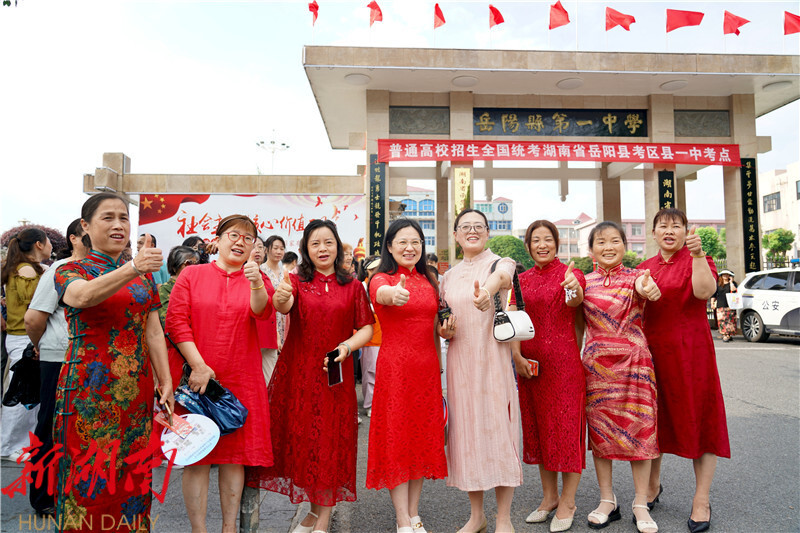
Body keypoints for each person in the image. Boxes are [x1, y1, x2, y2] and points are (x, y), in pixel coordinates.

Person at [52, 192, 174, 531]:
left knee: (133, 473)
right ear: (85, 226)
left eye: (124, 218)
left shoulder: (144, 276)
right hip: (89, 391)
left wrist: (165, 380)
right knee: (89, 473)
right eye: (108, 218)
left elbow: (153, 331)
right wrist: (132, 268)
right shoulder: (71, 270)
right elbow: (82, 296)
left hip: (136, 392)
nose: (118, 225)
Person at [247, 219, 373, 533]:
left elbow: (366, 328)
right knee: (309, 443)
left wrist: (346, 347)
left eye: (328, 242)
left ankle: (322, 521)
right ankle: (315, 512)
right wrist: (281, 295)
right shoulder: (295, 281)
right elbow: (283, 305)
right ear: (306, 248)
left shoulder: (352, 286)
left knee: (330, 442)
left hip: (335, 375)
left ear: (337, 246)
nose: (322, 249)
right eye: (315, 243)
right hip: (301, 375)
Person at [165, 214, 274, 533]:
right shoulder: (192, 275)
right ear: (217, 240)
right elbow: (176, 322)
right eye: (233, 235)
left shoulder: (257, 278)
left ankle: (229, 528)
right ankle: (199, 530)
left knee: (234, 458)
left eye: (248, 238)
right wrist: (199, 366)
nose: (240, 242)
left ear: (254, 247)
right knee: (196, 457)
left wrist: (256, 282)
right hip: (197, 382)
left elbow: (262, 311)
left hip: (242, 379)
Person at [638, 208, 730, 533]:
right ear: (653, 233)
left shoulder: (698, 259)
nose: (669, 230)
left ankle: (701, 499)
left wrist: (699, 255)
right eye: (663, 226)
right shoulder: (645, 267)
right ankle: (652, 486)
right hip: (652, 355)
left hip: (692, 354)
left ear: (686, 232)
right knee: (653, 421)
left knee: (700, 420)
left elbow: (705, 292)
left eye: (676, 226)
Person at [439, 208, 520, 533]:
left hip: (494, 362)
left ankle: (503, 518)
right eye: (465, 227)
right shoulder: (448, 277)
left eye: (478, 227)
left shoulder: (501, 262)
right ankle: (477, 516)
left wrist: (486, 293)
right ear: (456, 235)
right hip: (460, 364)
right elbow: (442, 321)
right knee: (467, 435)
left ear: (487, 233)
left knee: (498, 432)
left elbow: (502, 280)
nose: (472, 231)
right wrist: (444, 330)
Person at [367, 219, 448, 533]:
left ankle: (414, 514)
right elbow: (383, 294)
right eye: (402, 242)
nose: (410, 248)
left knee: (420, 441)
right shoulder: (381, 278)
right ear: (389, 246)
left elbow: (436, 325)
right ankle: (402, 518)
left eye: (415, 242)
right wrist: (393, 294)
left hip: (426, 371)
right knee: (398, 442)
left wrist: (446, 329)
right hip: (396, 371)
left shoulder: (429, 279)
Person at [581, 221, 661, 533]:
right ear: (591, 249)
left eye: (615, 240)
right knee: (601, 434)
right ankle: (607, 499)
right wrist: (571, 289)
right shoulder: (584, 282)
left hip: (635, 366)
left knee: (640, 430)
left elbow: (646, 288)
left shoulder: (637, 277)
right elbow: (573, 305)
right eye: (601, 242)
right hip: (598, 369)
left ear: (625, 246)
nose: (608, 247)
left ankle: (641, 503)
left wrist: (649, 288)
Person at [510, 220, 586, 533]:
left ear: (557, 243)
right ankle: (549, 497)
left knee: (566, 431)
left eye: (548, 239)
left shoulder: (571, 274)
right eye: (536, 240)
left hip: (564, 367)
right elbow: (515, 319)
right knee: (540, 430)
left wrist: (573, 288)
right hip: (530, 367)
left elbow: (575, 301)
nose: (542, 245)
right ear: (528, 246)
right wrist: (516, 356)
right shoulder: (520, 280)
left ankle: (568, 501)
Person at [23, 219, 87, 516]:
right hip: (59, 358)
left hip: (91, 360)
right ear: (74, 238)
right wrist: (42, 346)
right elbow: (33, 319)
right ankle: (44, 496)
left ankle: (74, 491)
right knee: (51, 426)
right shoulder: (60, 271)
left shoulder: (107, 270)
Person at [0, 226, 52, 461]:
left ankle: (21, 443)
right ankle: (10, 446)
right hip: (25, 337)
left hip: (23, 336)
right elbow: (34, 304)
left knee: (28, 394)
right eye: (48, 242)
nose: (51, 246)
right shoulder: (27, 271)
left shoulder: (24, 268)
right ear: (39, 245)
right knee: (22, 395)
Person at [251, 237, 279, 384]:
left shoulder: (265, 277)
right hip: (252, 339)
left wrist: (277, 336)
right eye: (253, 247)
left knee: (270, 384)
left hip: (269, 338)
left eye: (260, 247)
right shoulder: (240, 275)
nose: (257, 251)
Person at [358, 255, 382, 418]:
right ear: (368, 270)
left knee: (382, 373)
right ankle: (370, 404)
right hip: (370, 337)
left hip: (386, 336)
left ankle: (380, 403)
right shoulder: (362, 286)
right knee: (370, 372)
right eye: (374, 269)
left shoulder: (386, 283)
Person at [157, 246, 200, 327]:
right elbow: (168, 320)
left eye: (196, 264)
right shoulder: (165, 289)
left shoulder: (196, 288)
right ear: (175, 266)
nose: (193, 268)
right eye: (189, 263)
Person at [261, 235, 287, 351]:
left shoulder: (285, 273)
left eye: (282, 249)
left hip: (284, 318)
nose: (279, 252)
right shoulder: (261, 271)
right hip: (269, 319)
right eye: (275, 248)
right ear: (266, 250)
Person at [711, 269, 737, 342]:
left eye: (727, 274)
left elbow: (734, 290)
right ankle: (725, 335)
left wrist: (731, 282)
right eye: (724, 274)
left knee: (730, 321)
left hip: (730, 305)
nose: (725, 276)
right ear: (721, 276)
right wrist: (712, 303)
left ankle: (728, 334)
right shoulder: (718, 284)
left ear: (729, 276)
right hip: (720, 305)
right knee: (722, 321)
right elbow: (714, 294)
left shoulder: (733, 283)